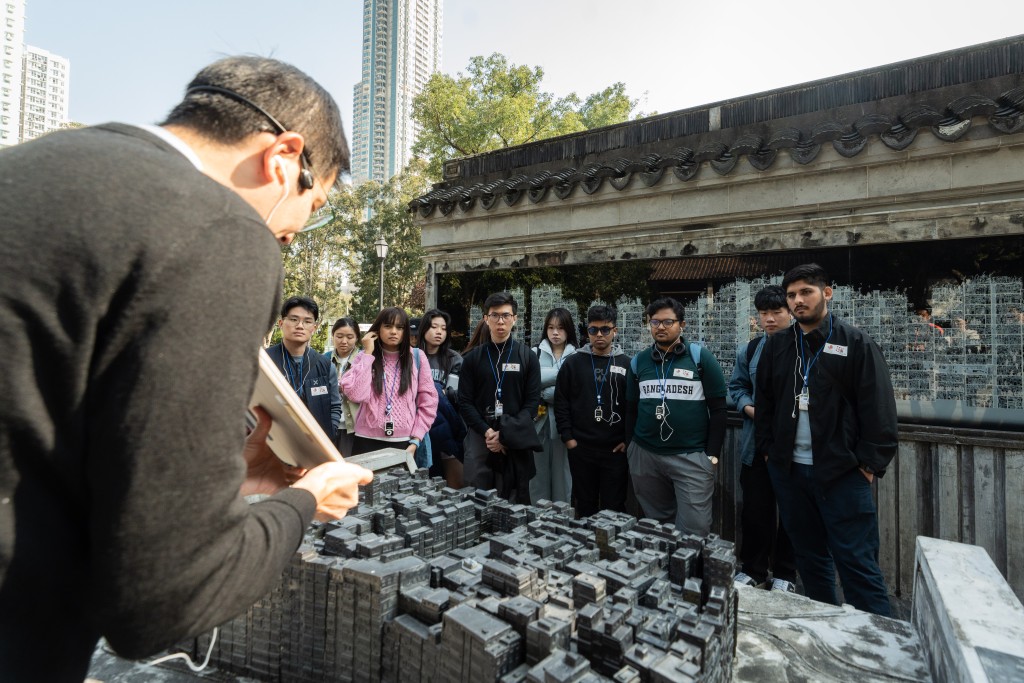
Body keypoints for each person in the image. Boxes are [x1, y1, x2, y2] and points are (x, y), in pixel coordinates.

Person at [0, 56, 373, 682]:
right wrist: (303, 503)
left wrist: (220, 490)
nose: (285, 239)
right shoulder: (218, 229)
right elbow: (161, 600)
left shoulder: (30, 167)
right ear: (284, 159)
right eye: (298, 223)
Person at [756, 263, 897, 616]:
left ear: (827, 293)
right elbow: (766, 403)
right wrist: (770, 455)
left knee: (858, 565)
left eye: (806, 292)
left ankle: (879, 647)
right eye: (792, 295)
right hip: (790, 472)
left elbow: (878, 409)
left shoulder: (855, 343)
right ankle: (825, 625)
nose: (797, 301)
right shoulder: (777, 346)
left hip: (842, 474)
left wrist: (867, 465)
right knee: (810, 561)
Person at [625, 297, 728, 536]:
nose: (660, 327)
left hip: (691, 457)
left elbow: (719, 410)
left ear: (682, 324)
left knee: (695, 529)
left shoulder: (700, 358)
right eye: (655, 322)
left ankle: (690, 573)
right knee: (659, 524)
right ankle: (667, 571)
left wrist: (712, 455)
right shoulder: (639, 362)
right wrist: (632, 448)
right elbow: (630, 409)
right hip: (646, 455)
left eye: (668, 322)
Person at [727, 285, 797, 592]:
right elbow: (736, 387)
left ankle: (786, 574)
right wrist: (748, 407)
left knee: (794, 513)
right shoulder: (751, 350)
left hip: (796, 449)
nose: (769, 319)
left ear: (791, 313)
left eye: (776, 312)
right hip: (755, 445)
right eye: (763, 313)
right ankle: (753, 569)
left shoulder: (804, 348)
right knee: (755, 511)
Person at [458, 292, 542, 503]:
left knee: (513, 499)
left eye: (506, 315)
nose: (500, 321)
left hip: (514, 436)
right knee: (477, 496)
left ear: (515, 319)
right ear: (486, 319)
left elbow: (532, 403)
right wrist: (488, 432)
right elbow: (465, 402)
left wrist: (505, 435)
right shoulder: (473, 358)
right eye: (495, 315)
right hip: (480, 436)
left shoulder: (527, 357)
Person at [554, 305, 630, 517]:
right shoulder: (573, 363)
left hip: (615, 450)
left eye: (605, 330)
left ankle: (610, 548)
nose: (599, 335)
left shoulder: (627, 364)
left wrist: (627, 438)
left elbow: (633, 405)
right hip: (581, 448)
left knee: (614, 506)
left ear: (615, 331)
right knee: (584, 504)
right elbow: (562, 402)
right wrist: (568, 438)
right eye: (593, 330)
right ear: (587, 331)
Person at [340, 307, 438, 462]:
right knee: (363, 487)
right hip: (365, 441)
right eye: (388, 326)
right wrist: (367, 354)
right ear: (378, 329)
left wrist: (416, 439)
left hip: (404, 443)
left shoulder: (417, 357)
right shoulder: (364, 356)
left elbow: (429, 402)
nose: (394, 331)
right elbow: (355, 395)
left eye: (400, 327)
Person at [266, 296, 342, 441]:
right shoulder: (265, 361)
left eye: (307, 321)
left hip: (316, 443)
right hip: (274, 442)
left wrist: (329, 432)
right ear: (281, 323)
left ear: (314, 328)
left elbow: (335, 406)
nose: (300, 326)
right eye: (294, 319)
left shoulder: (324, 364)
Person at [531, 307, 578, 504]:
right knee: (537, 476)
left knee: (563, 475)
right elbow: (530, 384)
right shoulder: (534, 352)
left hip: (566, 425)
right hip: (537, 423)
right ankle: (538, 521)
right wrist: (560, 376)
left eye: (560, 328)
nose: (555, 333)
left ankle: (561, 520)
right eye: (550, 328)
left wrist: (545, 389)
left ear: (569, 329)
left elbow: (574, 391)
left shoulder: (577, 356)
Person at [419, 309, 466, 487]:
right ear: (424, 329)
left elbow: (460, 394)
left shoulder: (454, 359)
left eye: (443, 328)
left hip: (447, 427)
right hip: (422, 427)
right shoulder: (414, 355)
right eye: (434, 327)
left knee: (454, 483)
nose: (439, 332)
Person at [325, 316, 361, 456]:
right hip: (330, 424)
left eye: (350, 337)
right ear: (333, 336)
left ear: (357, 338)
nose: (344, 341)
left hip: (355, 427)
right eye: (339, 336)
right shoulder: (324, 359)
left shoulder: (363, 359)